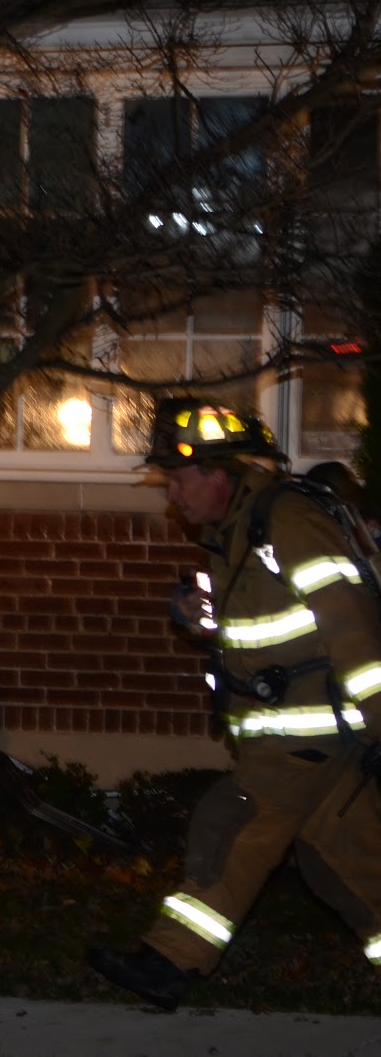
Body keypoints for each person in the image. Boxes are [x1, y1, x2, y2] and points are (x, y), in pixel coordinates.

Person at [88, 398, 381, 1010]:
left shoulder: (288, 518)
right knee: (346, 863)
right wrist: (197, 615)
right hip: (284, 729)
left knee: (232, 822)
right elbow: (270, 626)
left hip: (310, 730)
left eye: (178, 480)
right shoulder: (234, 534)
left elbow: (349, 619)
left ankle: (169, 961)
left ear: (217, 473)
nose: (172, 496)